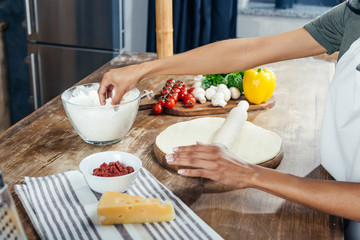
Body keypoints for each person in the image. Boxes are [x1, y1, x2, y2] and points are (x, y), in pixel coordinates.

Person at [99, 0, 360, 238]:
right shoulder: (353, 15)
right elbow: (248, 51)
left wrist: (250, 174)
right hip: (332, 183)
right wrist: (141, 70)